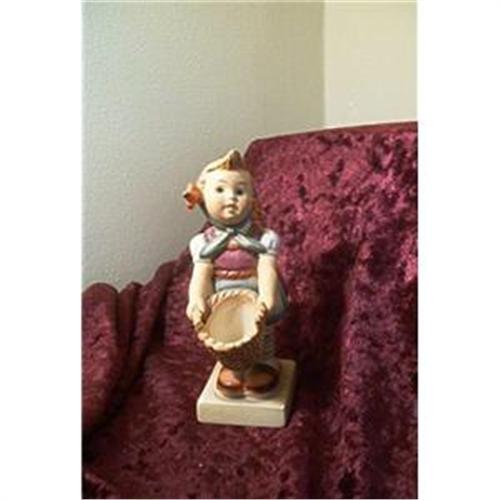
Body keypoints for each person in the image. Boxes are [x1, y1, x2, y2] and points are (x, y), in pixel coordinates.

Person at [183, 149, 288, 397]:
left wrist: (267, 297)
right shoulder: (202, 243)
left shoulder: (264, 238)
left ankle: (264, 363)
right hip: (222, 292)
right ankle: (234, 367)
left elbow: (266, 267)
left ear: (252, 198)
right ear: (202, 196)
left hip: (255, 288)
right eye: (220, 190)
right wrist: (197, 299)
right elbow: (201, 273)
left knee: (263, 329)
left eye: (239, 191)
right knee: (226, 329)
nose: (231, 198)